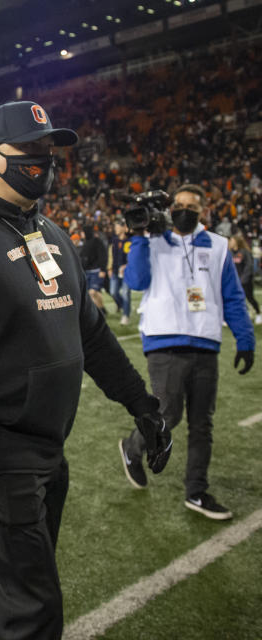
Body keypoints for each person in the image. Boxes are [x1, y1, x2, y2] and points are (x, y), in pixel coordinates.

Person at [0, 101, 170, 640]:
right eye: (32, 151)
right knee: (35, 610)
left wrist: (142, 404)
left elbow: (89, 333)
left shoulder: (49, 232)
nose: (44, 161)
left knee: (20, 570)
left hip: (48, 447)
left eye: (49, 151)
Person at [119, 184, 255, 520]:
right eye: (177, 204)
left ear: (203, 211)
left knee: (202, 424)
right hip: (164, 340)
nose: (183, 209)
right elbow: (135, 281)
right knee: (168, 415)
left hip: (206, 343)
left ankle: (196, 491)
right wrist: (138, 235)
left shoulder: (219, 246)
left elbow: (234, 297)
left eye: (191, 206)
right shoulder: (153, 240)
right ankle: (133, 448)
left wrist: (245, 338)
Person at [229, 231, 261, 324]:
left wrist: (243, 279)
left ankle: (258, 313)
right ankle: (243, 315)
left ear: (236, 242)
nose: (230, 242)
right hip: (235, 280)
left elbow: (249, 266)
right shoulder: (230, 252)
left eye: (231, 240)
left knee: (250, 298)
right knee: (237, 299)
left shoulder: (245, 252)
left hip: (245, 281)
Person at [108, 216, 133, 325]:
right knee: (113, 292)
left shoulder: (130, 240)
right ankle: (124, 305)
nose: (116, 229)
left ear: (124, 228)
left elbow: (133, 256)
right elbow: (111, 255)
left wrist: (127, 265)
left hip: (126, 271)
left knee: (126, 293)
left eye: (118, 227)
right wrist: (109, 267)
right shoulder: (114, 240)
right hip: (114, 270)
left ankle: (126, 315)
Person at [80, 225, 108, 314]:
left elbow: (103, 255)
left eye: (82, 232)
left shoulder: (97, 241)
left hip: (96, 271)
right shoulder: (85, 243)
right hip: (87, 272)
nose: (81, 234)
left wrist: (103, 269)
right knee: (92, 293)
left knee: (93, 292)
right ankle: (102, 309)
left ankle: (99, 312)